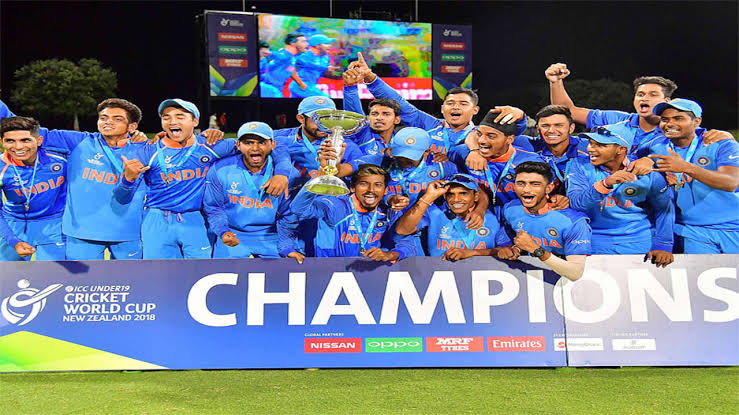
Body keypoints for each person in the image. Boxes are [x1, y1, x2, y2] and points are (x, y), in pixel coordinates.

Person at [114, 98, 290, 259]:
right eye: (166, 117)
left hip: (197, 220)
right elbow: (122, 198)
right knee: (159, 275)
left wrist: (282, 173)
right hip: (157, 220)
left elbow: (275, 146)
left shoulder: (211, 145)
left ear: (195, 121)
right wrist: (128, 180)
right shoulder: (147, 151)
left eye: (180, 116)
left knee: (201, 274)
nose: (173, 122)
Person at [0, 98, 156, 260]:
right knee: (79, 278)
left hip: (128, 232)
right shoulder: (78, 142)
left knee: (129, 276)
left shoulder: (145, 150)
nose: (108, 122)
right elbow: (19, 127)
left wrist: (161, 138)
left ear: (132, 126)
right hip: (81, 233)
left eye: (117, 119)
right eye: (103, 118)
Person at [348, 53, 531, 162]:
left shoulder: (482, 134)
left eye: (463, 104)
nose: (455, 107)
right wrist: (369, 77)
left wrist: (521, 116)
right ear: (443, 108)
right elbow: (398, 101)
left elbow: (514, 133)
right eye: (450, 103)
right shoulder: (428, 124)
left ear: (475, 110)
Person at [545, 62, 733, 157]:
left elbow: (710, 138)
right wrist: (556, 82)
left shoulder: (675, 129)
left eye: (653, 94)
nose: (644, 98)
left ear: (666, 101)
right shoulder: (617, 119)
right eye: (640, 94)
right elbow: (567, 111)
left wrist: (726, 136)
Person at [567, 122, 675, 266]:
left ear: (621, 149)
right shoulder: (579, 165)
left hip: (639, 242)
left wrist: (663, 245)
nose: (590, 149)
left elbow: (664, 209)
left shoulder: (648, 172)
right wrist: (605, 183)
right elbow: (576, 203)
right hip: (593, 241)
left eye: (600, 145)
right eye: (591, 143)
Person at [647, 99, 739, 253]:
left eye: (678, 118)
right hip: (692, 231)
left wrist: (686, 167)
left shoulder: (722, 144)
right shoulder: (655, 147)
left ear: (697, 121)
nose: (669, 124)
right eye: (664, 119)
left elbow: (731, 183)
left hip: (733, 226)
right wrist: (643, 161)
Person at [203, 121, 303, 261]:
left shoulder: (288, 176)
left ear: (273, 145)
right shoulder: (220, 170)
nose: (255, 148)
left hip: (272, 236)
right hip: (233, 234)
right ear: (238, 145)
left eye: (262, 142)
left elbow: (288, 215)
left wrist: (286, 247)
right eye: (248, 143)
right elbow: (214, 208)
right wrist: (223, 231)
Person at [290, 163, 413, 261]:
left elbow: (408, 244)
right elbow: (298, 209)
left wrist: (389, 255)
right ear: (352, 187)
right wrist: (316, 181)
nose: (371, 190)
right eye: (364, 184)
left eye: (378, 185)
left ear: (386, 190)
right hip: (329, 271)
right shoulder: (336, 205)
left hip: (370, 272)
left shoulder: (389, 211)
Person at [500, 161, 592, 281]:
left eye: (535, 184)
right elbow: (520, 237)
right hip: (530, 279)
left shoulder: (573, 222)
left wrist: (536, 250)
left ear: (549, 188)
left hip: (566, 282)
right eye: (521, 183)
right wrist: (513, 249)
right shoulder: (510, 209)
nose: (526, 189)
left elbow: (575, 273)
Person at [395, 174, 510, 260]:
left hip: (482, 277)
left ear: (476, 196)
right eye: (451, 194)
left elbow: (507, 251)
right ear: (445, 196)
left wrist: (471, 253)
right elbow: (402, 230)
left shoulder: (494, 215)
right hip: (439, 275)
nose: (456, 199)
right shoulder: (434, 213)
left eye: (463, 193)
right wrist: (428, 197)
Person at [0, 117, 68, 261]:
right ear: (2, 142)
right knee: (8, 274)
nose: (18, 147)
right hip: (14, 225)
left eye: (25, 140)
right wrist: (13, 240)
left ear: (39, 140)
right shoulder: (1, 168)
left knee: (54, 273)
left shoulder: (61, 160)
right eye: (10, 141)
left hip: (54, 223)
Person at [448, 110, 547, 208]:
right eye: (479, 134)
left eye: (491, 136)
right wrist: (474, 151)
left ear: (509, 139)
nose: (482, 140)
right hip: (481, 213)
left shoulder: (531, 162)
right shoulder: (464, 152)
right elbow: (447, 160)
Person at [528, 105, 589, 195]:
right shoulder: (531, 145)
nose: (551, 130)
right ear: (538, 129)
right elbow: (508, 136)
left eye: (559, 125)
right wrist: (520, 116)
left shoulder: (588, 147)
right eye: (545, 126)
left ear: (571, 128)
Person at [342, 66, 402, 156]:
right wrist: (350, 87)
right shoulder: (363, 135)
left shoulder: (403, 141)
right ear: (368, 118)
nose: (379, 118)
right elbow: (354, 112)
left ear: (396, 120)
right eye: (374, 114)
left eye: (386, 114)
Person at [260, 33, 309, 98]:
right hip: (269, 88)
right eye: (303, 41)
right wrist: (269, 53)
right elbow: (280, 56)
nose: (307, 44)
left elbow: (291, 70)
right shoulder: (285, 54)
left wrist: (301, 84)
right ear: (292, 43)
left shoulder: (292, 57)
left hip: (276, 88)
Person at [289, 34, 336, 98]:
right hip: (301, 86)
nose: (330, 46)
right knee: (326, 99)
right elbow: (307, 64)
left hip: (311, 85)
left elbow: (326, 73)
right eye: (326, 43)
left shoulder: (325, 57)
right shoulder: (305, 55)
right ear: (318, 46)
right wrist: (326, 68)